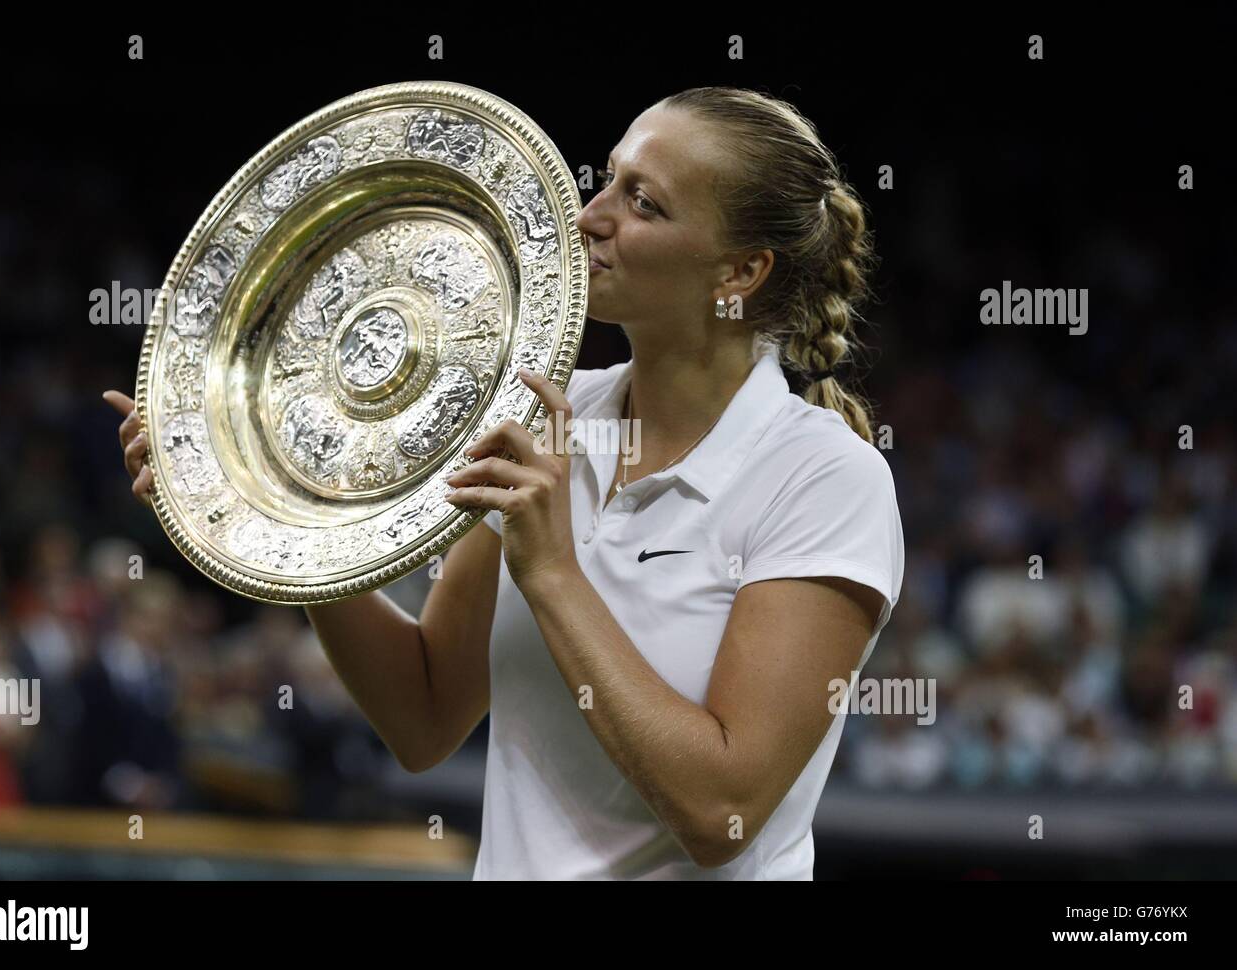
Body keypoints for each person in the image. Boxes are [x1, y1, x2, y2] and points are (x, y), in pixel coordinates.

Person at [104, 85, 905, 879]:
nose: (590, 217)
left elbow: (718, 812)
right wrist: (285, 511)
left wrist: (552, 572)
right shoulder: (549, 413)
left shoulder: (825, 479)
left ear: (740, 271)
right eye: (609, 180)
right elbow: (423, 717)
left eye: (644, 204)